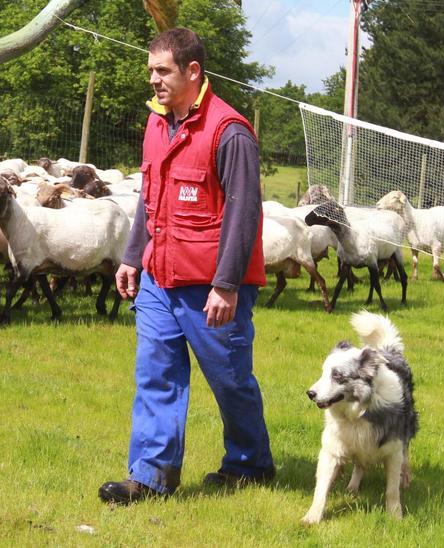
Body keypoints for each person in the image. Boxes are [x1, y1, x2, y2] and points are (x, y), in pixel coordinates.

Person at [98, 27, 274, 505]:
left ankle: (249, 464)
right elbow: (149, 198)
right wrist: (133, 256)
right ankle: (151, 477)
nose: (153, 80)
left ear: (192, 71)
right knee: (155, 372)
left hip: (212, 285)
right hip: (159, 276)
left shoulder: (229, 131)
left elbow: (244, 213)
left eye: (162, 71)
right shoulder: (157, 124)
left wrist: (227, 284)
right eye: (150, 70)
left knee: (230, 378)